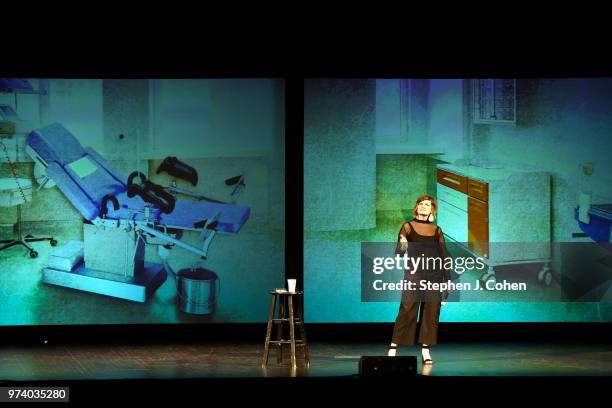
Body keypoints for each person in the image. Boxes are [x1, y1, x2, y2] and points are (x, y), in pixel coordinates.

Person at [387, 195, 451, 364]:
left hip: (434, 275)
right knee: (407, 308)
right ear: (417, 207)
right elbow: (399, 253)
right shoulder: (407, 227)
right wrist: (403, 245)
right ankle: (393, 347)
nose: (424, 206)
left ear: (432, 210)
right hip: (414, 274)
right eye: (421, 204)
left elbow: (444, 255)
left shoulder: (437, 230)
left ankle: (425, 350)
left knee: (431, 312)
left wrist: (448, 280)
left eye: (427, 204)